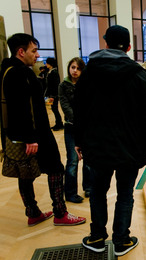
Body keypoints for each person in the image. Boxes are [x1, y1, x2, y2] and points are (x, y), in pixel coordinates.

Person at [74, 25, 146, 257]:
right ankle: (121, 240)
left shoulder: (88, 74)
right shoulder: (139, 76)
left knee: (98, 191)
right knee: (125, 194)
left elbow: (79, 112)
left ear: (106, 43)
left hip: (97, 146)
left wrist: (78, 141)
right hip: (130, 149)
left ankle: (97, 237)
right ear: (129, 47)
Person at [0, 33, 86, 227]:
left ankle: (33, 213)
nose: (37, 55)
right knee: (56, 169)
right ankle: (60, 213)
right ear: (21, 52)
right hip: (35, 134)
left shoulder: (8, 70)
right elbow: (19, 108)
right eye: (34, 50)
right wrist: (30, 138)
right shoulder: (19, 72)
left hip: (23, 134)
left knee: (26, 173)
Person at [59, 57, 91, 203]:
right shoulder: (63, 85)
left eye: (78, 68)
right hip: (71, 127)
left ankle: (89, 187)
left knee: (89, 159)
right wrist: (78, 121)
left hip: (87, 127)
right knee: (72, 160)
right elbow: (65, 106)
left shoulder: (87, 84)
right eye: (72, 67)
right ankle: (70, 193)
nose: (75, 71)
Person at [44, 57, 63, 131]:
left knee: (55, 109)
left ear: (50, 64)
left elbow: (55, 85)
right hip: (51, 94)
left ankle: (59, 124)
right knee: (53, 109)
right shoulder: (50, 71)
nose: (46, 64)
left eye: (47, 63)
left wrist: (53, 96)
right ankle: (58, 123)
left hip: (53, 95)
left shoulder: (54, 72)